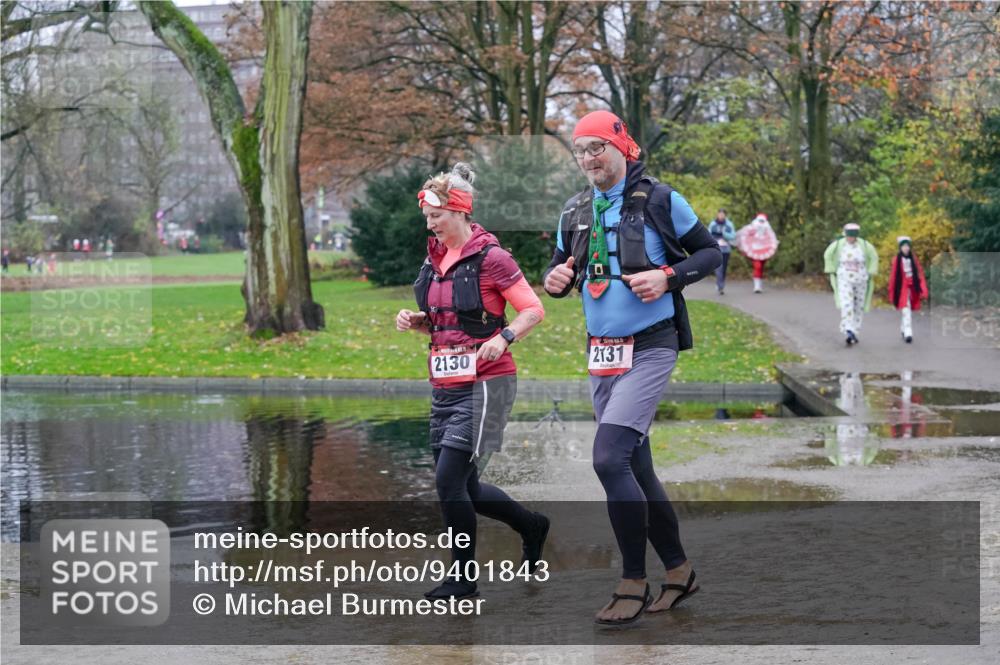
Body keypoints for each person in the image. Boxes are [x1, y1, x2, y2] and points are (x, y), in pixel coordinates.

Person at [542, 110, 719, 625]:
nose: (589, 158)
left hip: (651, 344)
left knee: (608, 458)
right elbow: (561, 267)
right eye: (581, 150)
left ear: (623, 147)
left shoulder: (662, 199)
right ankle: (680, 571)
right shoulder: (575, 209)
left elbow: (710, 254)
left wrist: (669, 277)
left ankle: (632, 580)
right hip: (602, 351)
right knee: (635, 466)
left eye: (598, 147)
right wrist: (554, 280)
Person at [395, 162, 550, 601]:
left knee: (448, 482)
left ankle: (463, 581)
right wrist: (418, 321)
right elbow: (445, 322)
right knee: (465, 488)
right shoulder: (434, 260)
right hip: (445, 384)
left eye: (437, 216)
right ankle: (532, 525)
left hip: (488, 384)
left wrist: (503, 338)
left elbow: (533, 309)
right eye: (427, 218)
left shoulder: (492, 259)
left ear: (460, 212)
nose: (431, 225)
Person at [824, 223, 878, 346]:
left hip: (861, 279)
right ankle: (848, 329)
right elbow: (827, 254)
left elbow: (874, 256)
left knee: (858, 306)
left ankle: (855, 330)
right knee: (847, 303)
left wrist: (871, 270)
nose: (850, 239)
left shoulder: (864, 245)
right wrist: (831, 268)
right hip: (844, 279)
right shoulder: (839, 245)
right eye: (849, 236)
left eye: (853, 237)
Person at [888, 236, 928, 343]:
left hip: (912, 287)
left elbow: (919, 274)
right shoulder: (897, 260)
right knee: (906, 309)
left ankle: (903, 328)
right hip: (902, 288)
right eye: (903, 246)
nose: (906, 248)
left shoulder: (913, 259)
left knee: (908, 309)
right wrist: (892, 292)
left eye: (907, 246)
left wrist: (923, 289)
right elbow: (893, 277)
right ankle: (908, 332)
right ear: (900, 248)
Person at [735, 213, 779, 293]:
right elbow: (744, 237)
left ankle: (759, 284)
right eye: (760, 220)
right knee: (757, 266)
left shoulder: (768, 231)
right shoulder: (750, 229)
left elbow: (772, 240)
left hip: (764, 252)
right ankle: (757, 286)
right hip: (754, 252)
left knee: (761, 267)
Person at [707, 209, 736, 295]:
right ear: (717, 215)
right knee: (718, 267)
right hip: (716, 249)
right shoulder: (713, 224)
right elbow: (708, 235)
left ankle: (720, 283)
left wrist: (725, 234)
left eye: (722, 214)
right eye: (719, 214)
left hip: (726, 249)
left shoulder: (729, 224)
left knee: (724, 269)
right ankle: (721, 287)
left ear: (725, 215)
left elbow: (733, 236)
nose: (721, 216)